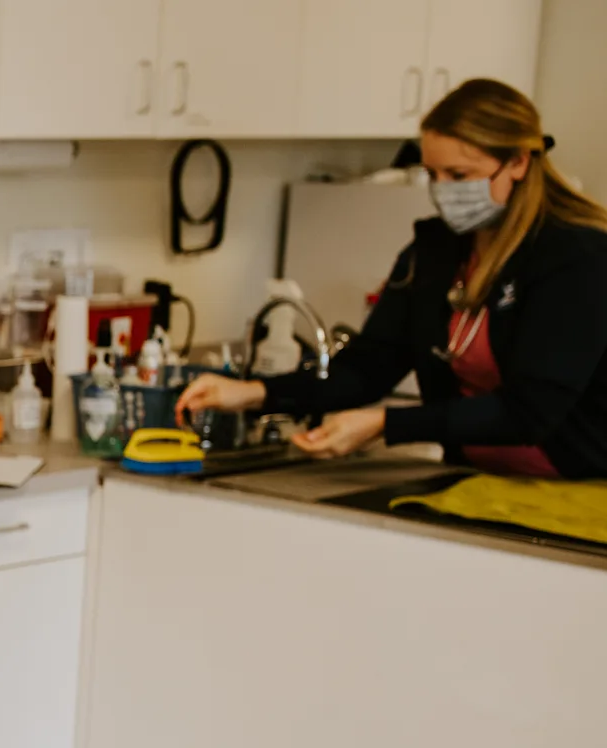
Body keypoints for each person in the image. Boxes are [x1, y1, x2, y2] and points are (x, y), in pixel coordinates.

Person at [179, 79, 607, 478]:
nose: (442, 191)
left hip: (582, 489)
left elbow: (530, 412)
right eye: (433, 175)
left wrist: (385, 424)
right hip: (480, 481)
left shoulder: (576, 257)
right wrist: (252, 392)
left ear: (517, 162)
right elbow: (368, 369)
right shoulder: (435, 253)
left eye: (459, 176)